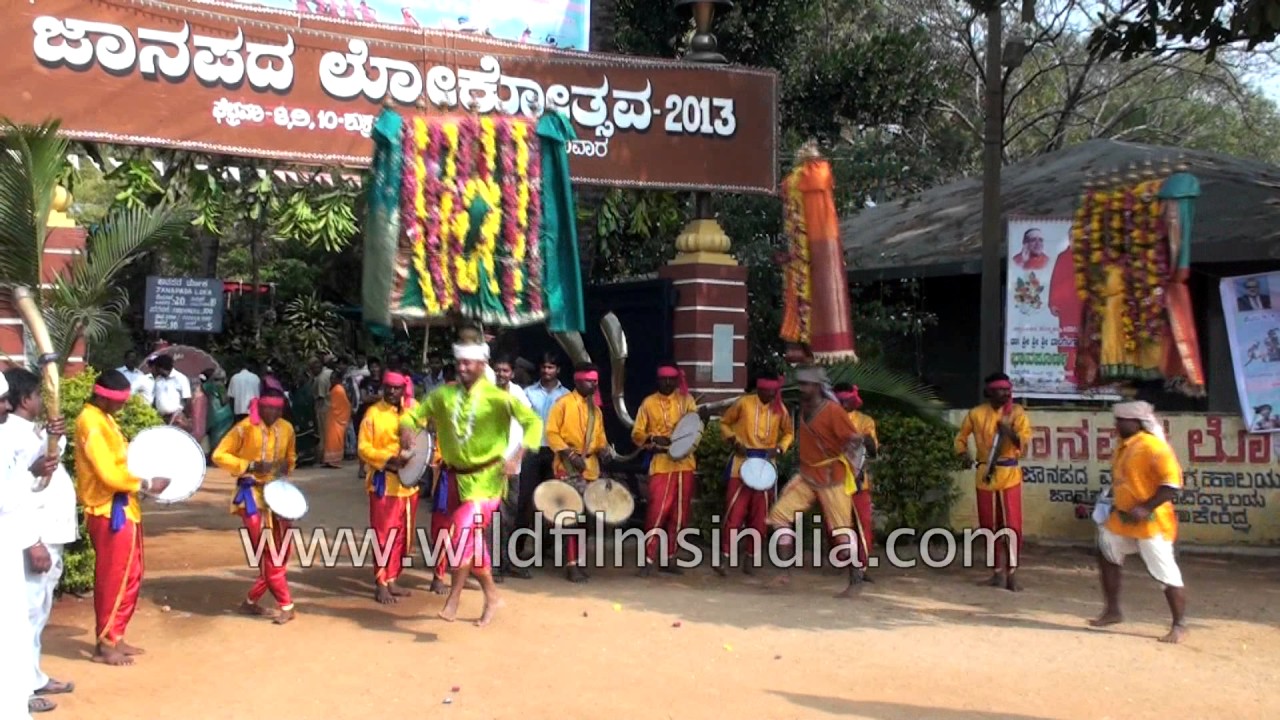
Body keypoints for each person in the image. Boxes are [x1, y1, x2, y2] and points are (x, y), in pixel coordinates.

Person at [400, 337, 542, 627]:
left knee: (460, 534)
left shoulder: (499, 398)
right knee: (474, 541)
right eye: (459, 362)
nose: (461, 367)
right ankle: (492, 596)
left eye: (468, 362)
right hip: (453, 479)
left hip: (488, 481)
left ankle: (454, 597)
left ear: (482, 365)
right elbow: (414, 415)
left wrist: (517, 456)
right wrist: (407, 431)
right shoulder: (443, 396)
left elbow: (534, 424)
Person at [75, 370, 170, 666]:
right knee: (113, 577)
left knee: (132, 574)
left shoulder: (106, 419)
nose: (122, 407)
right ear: (103, 396)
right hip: (107, 511)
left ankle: (115, 634)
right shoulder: (90, 421)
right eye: (119, 401)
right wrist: (144, 484)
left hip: (124, 507)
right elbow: (106, 472)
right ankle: (104, 644)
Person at [2, 370, 75, 714]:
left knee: (34, 613)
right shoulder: (9, 436)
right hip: (25, 539)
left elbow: (42, 466)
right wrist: (33, 540)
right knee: (23, 617)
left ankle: (30, 678)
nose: (5, 407)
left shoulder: (16, 433)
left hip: (38, 534)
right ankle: (24, 689)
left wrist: (52, 437)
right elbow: (14, 498)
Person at [1090, 401, 1188, 643]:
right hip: (1123, 519)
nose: (1116, 425)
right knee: (1106, 550)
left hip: (1151, 522)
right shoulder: (1125, 446)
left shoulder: (1153, 447)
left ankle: (1179, 624)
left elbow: (1172, 486)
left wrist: (1146, 507)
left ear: (1135, 423)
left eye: (1121, 421)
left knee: (1164, 571)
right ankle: (1112, 611)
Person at [765, 366, 865, 598]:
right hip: (808, 475)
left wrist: (856, 446)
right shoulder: (803, 409)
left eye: (807, 384)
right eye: (801, 384)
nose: (802, 388)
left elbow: (853, 441)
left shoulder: (833, 411)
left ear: (818, 386)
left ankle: (856, 578)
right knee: (779, 516)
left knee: (841, 532)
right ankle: (784, 572)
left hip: (833, 478)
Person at [212, 389, 298, 624]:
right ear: (260, 406)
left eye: (278, 409)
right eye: (269, 408)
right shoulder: (244, 427)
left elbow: (292, 458)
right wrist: (249, 465)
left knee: (281, 550)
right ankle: (286, 604)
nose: (274, 413)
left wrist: (285, 467)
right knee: (269, 549)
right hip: (250, 494)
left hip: (277, 494)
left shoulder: (287, 429)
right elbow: (219, 455)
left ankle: (250, 602)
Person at [953, 372, 1032, 591]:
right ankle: (996, 571)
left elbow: (1023, 443)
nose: (1005, 393)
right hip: (984, 474)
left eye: (1007, 389)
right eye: (1000, 390)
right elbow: (960, 438)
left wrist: (1010, 433)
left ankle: (1012, 572)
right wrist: (962, 453)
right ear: (988, 392)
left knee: (1012, 526)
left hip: (1009, 475)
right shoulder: (976, 414)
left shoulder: (1016, 413)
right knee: (989, 525)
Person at [716, 373, 793, 575]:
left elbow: (789, 432)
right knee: (734, 515)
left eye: (772, 391)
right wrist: (733, 441)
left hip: (766, 468)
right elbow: (724, 423)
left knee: (759, 518)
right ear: (758, 389)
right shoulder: (743, 403)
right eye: (766, 390)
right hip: (741, 465)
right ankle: (724, 558)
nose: (769, 393)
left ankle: (751, 558)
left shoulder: (780, 409)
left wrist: (780, 448)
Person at [545, 363, 612, 582]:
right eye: (589, 381)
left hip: (591, 470)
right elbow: (552, 433)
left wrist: (604, 450)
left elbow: (600, 438)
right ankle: (571, 564)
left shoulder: (596, 411)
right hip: (567, 468)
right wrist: (569, 454)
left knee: (585, 520)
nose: (594, 384)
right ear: (577, 381)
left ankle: (580, 561)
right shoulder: (562, 404)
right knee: (570, 519)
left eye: (595, 381)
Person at [357, 371, 420, 604]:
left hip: (408, 486)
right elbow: (363, 448)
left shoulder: (413, 409)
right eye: (388, 387)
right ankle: (381, 582)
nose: (392, 392)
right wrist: (389, 459)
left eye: (397, 388)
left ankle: (393, 577)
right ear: (382, 387)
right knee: (384, 535)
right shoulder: (373, 414)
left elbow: (424, 437)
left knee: (403, 536)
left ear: (403, 389)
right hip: (384, 484)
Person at [632, 363, 699, 576]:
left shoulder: (687, 401)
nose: (668, 383)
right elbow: (636, 434)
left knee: (680, 514)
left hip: (685, 464)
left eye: (672, 379)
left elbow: (695, 428)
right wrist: (652, 437)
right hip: (660, 463)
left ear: (678, 380)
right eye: (664, 379)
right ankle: (648, 558)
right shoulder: (648, 403)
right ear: (658, 380)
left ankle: (670, 557)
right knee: (656, 512)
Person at [491, 355, 533, 581]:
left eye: (505, 371)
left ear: (512, 373)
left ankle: (507, 563)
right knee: (493, 517)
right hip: (489, 468)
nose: (501, 374)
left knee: (510, 515)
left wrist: (517, 459)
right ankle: (494, 565)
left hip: (513, 467)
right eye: (498, 370)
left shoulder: (519, 395)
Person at [834, 382, 878, 581]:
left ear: (854, 400)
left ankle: (861, 566)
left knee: (864, 523)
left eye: (847, 401)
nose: (843, 405)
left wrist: (867, 441)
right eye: (840, 401)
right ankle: (844, 561)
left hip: (859, 481)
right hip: (836, 481)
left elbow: (873, 451)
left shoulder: (865, 421)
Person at [150, 354, 192, 429]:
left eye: (156, 367)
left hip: (176, 419)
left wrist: (187, 417)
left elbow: (187, 400)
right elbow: (155, 398)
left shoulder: (180, 378)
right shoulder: (158, 379)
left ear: (161, 368)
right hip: (161, 419)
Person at [322, 373, 351, 469]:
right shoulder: (336, 388)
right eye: (331, 378)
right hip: (332, 418)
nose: (331, 380)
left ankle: (334, 461)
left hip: (337, 418)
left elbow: (338, 404)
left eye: (334, 378)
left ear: (338, 379)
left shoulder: (338, 389)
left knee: (335, 440)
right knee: (330, 440)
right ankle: (329, 460)